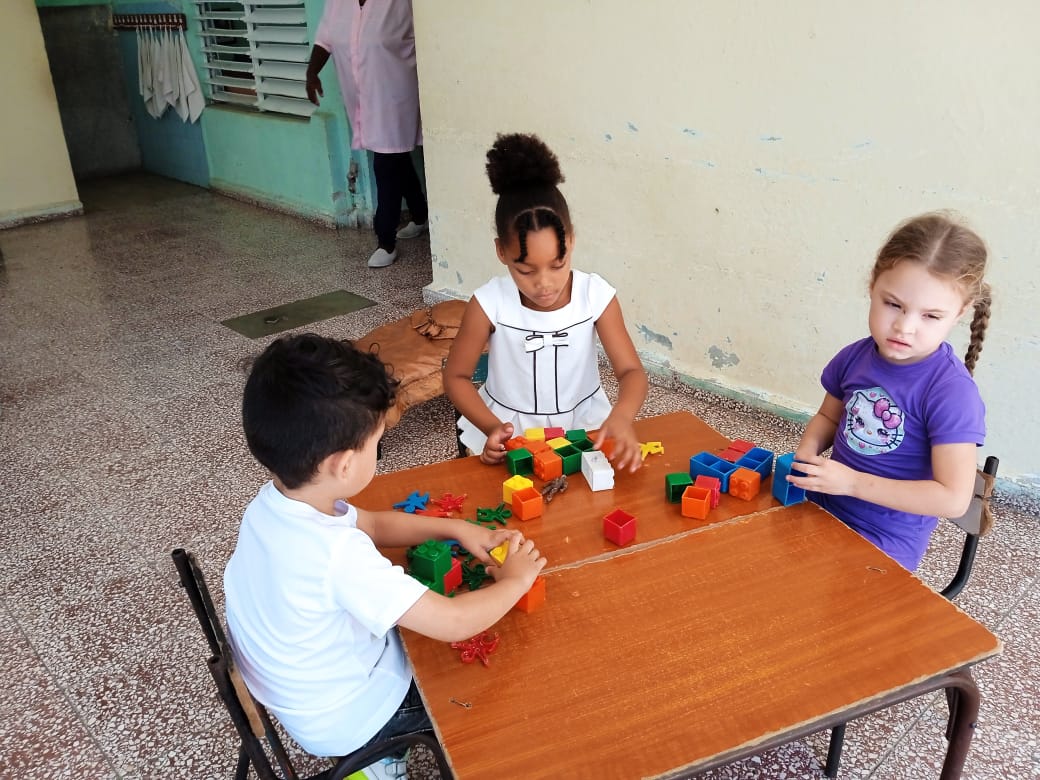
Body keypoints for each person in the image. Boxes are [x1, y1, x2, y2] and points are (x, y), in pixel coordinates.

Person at [224, 334, 546, 759]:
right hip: (354, 719)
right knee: (506, 687)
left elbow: (372, 523)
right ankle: (379, 764)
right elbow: (453, 622)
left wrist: (459, 530)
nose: (378, 452)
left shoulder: (273, 507)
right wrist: (517, 581)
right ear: (343, 465)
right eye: (376, 444)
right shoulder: (336, 555)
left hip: (299, 698)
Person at [787, 212, 992, 571]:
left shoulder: (952, 393)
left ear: (960, 313)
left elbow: (953, 499)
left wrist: (851, 483)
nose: (904, 326)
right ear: (872, 286)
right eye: (893, 304)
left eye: (931, 316)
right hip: (822, 501)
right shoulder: (855, 356)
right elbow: (826, 417)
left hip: (885, 538)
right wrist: (807, 453)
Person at [443, 132, 649, 472]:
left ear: (570, 241)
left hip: (584, 426)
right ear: (501, 252)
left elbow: (631, 372)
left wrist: (622, 417)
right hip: (512, 433)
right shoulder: (488, 304)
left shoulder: (596, 296)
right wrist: (491, 427)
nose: (544, 284)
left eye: (558, 264)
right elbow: (456, 377)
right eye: (525, 270)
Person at [307, 0, 428, 269]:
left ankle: (385, 240)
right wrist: (311, 72)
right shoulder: (339, 3)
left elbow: (428, 34)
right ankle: (420, 215)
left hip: (396, 93)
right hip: (362, 97)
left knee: (387, 162)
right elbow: (325, 39)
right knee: (394, 155)